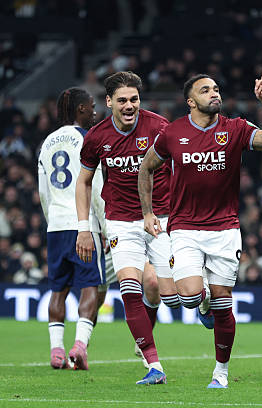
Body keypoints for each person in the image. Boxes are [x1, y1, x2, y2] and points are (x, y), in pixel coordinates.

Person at [138, 68, 262, 389]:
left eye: (216, 88)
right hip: (184, 229)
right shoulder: (172, 133)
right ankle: (202, 301)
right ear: (190, 101)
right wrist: (149, 211)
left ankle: (220, 373)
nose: (214, 93)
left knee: (223, 302)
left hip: (224, 230)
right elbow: (146, 167)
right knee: (188, 297)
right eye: (206, 90)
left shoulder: (234, 129)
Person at [75, 71, 183, 385]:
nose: (129, 105)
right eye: (122, 100)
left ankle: (178, 308)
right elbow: (83, 182)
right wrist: (84, 227)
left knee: (165, 290)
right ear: (108, 102)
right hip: (120, 219)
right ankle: (154, 366)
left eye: (134, 99)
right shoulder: (96, 136)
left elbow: (182, 168)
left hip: (160, 217)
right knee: (129, 285)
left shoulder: (159, 127)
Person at [38, 87, 105, 370]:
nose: (94, 111)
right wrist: (103, 225)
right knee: (90, 286)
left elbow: (43, 192)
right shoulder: (88, 139)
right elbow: (96, 184)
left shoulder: (47, 142)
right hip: (84, 224)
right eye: (91, 106)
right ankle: (79, 345)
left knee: (59, 289)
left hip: (55, 225)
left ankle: (56, 350)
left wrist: (51, 219)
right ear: (80, 109)